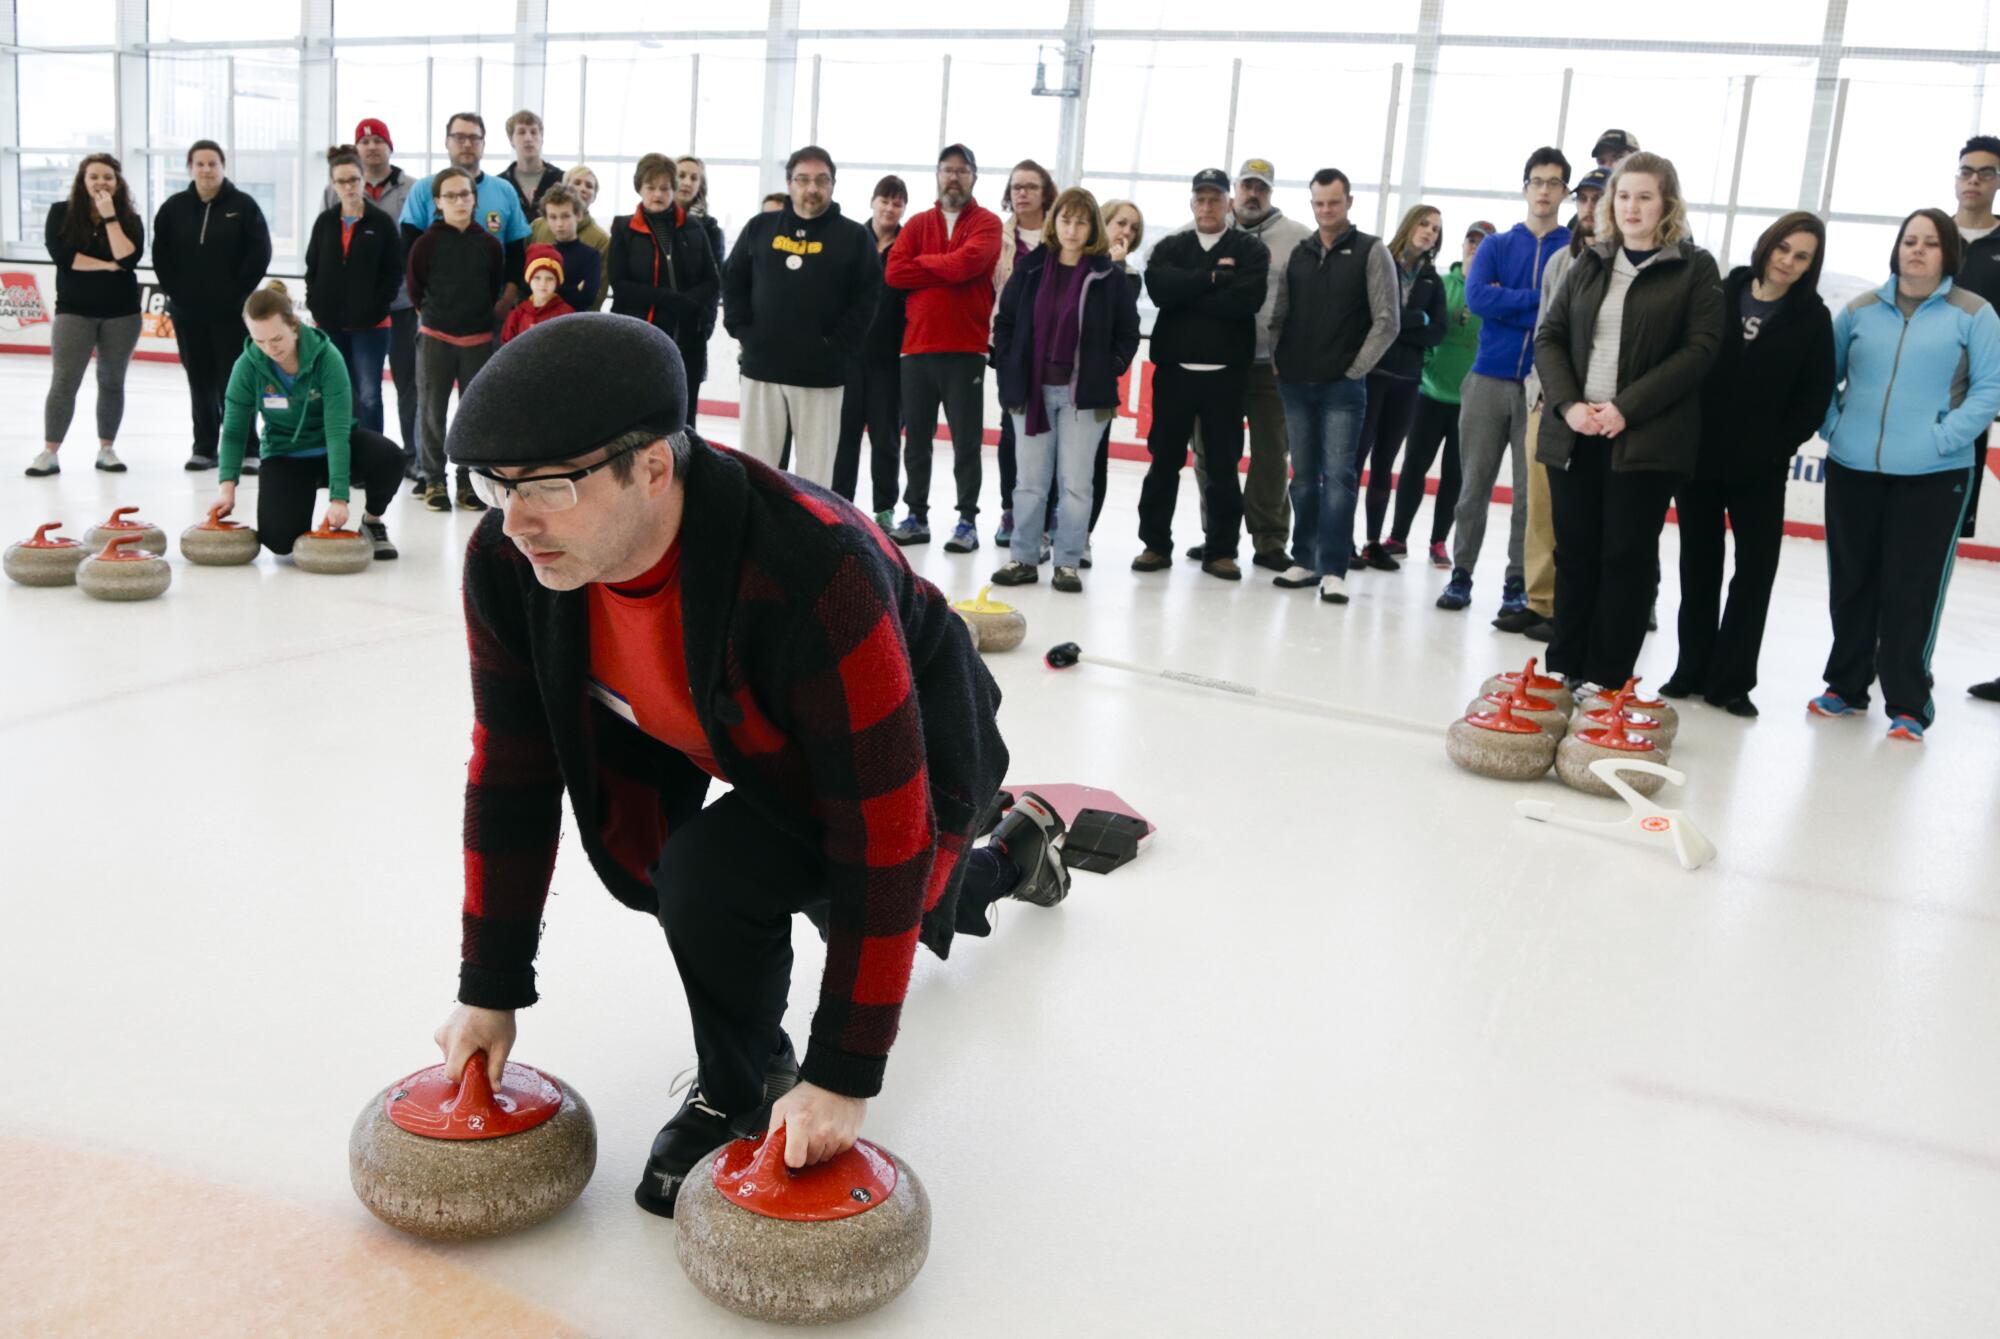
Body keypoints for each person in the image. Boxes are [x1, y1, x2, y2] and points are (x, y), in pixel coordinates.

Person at [430, 313, 1071, 1218]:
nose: (516, 519)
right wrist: (488, 986)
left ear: (652, 467)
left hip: (910, 739)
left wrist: (844, 1073)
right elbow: (513, 771)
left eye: (548, 488)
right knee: (714, 879)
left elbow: (879, 830)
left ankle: (1012, 849)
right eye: (495, 485)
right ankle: (742, 1080)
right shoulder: (513, 563)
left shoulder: (813, 569)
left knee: (900, 887)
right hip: (752, 741)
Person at [1533, 151, 1723, 696]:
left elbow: (1700, 349)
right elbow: (1549, 337)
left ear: (1666, 204)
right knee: (1575, 552)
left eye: (1645, 196)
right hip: (1577, 430)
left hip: (1644, 437)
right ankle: (1564, 668)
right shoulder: (1589, 260)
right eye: (1623, 196)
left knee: (1625, 556)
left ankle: (1607, 678)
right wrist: (1569, 406)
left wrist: (1625, 408)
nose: (1632, 206)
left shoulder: (1694, 266)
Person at [1808, 209, 2000, 740]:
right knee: (1851, 583)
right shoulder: (1862, 310)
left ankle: (1909, 703)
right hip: (1854, 468)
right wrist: (1835, 428)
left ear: (1948, 254)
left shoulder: (1973, 314)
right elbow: (1824, 373)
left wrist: (1943, 437)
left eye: (1930, 243)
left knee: (1910, 589)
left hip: (1934, 476)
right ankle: (1845, 688)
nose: (1917, 250)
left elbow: (1990, 389)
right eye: (1909, 241)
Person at [1658, 212, 1834, 718]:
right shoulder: (1722, 288)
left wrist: (1777, 445)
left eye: (1802, 256)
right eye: (1784, 249)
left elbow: (1814, 396)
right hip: (1699, 457)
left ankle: (1730, 682)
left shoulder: (1813, 317)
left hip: (1761, 467)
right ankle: (1690, 669)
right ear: (1767, 246)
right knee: (1699, 565)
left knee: (1755, 572)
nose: (1789, 262)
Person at [1439, 147, 1572, 616]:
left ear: (1565, 192)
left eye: (1554, 183)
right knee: (1473, 485)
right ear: (1525, 188)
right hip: (1487, 379)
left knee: (1528, 497)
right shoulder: (1497, 245)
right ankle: (1461, 573)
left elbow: (1566, 311)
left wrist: (1510, 300)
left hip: (1542, 388)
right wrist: (1539, 301)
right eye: (1537, 181)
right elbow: (1477, 299)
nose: (1544, 190)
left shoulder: (1572, 249)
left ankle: (1517, 583)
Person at [988, 187, 1140, 594]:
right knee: (1030, 482)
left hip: (1083, 398)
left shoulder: (1108, 275)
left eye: (1081, 221)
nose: (1072, 229)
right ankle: (1022, 557)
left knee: (1075, 484)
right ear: (1054, 222)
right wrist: (1008, 366)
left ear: (1092, 227)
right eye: (1065, 220)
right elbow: (1005, 323)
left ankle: (1068, 562)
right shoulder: (1032, 269)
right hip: (1031, 393)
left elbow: (1127, 334)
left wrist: (1108, 369)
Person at [1132, 169, 1272, 582]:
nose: (1208, 207)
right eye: (1201, 200)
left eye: (1215, 199)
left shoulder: (1249, 249)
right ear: (1192, 203)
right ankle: (1155, 545)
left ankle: (1222, 551)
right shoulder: (1170, 246)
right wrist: (1212, 280)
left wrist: (1187, 294)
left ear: (1229, 204)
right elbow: (1159, 290)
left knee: (1224, 466)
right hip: (1175, 375)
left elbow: (1245, 300)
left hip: (1226, 379)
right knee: (1164, 462)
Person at [1265, 167, 1397, 603]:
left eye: (1334, 203)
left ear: (1349, 202)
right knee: (1302, 478)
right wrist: (1279, 360)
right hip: (1295, 385)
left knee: (1339, 478)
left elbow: (1387, 322)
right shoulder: (1300, 253)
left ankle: (1334, 568)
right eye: (1319, 203)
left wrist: (1355, 369)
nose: (1326, 211)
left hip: (1343, 389)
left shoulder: (1371, 251)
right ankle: (1303, 560)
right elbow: (1280, 313)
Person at [211, 282, 402, 561]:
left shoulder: (326, 358)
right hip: (286, 454)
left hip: (332, 446)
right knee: (279, 543)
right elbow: (233, 433)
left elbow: (336, 431)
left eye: (276, 339)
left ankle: (373, 521)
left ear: (294, 325)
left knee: (390, 457)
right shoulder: (248, 365)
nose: (269, 349)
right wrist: (226, 489)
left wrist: (339, 498)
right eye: (259, 340)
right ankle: (296, 496)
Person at [723, 145, 878, 486]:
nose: (812, 188)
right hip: (762, 369)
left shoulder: (854, 237)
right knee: (757, 469)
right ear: (790, 183)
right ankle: (761, 537)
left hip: (821, 375)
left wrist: (836, 346)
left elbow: (867, 299)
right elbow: (733, 278)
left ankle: (813, 538)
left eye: (821, 180)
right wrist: (742, 330)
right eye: (803, 179)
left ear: (833, 184)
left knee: (816, 475)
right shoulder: (760, 228)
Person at [1186, 159, 1311, 571]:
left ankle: (1270, 539)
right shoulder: (1206, 232)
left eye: (1262, 188)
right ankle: (1217, 535)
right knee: (1209, 451)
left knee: (1272, 453)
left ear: (1271, 193)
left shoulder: (1297, 238)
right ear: (1234, 191)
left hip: (1268, 366)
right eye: (1247, 187)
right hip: (1216, 362)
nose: (1253, 195)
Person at [883, 144, 1002, 550]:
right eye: (947, 170)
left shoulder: (988, 223)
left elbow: (970, 264)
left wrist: (929, 264)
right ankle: (915, 514)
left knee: (967, 441)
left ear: (973, 177)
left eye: (962, 171)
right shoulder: (916, 223)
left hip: (966, 349)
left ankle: (967, 521)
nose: (954, 177)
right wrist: (948, 265)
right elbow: (896, 273)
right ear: (937, 175)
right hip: (916, 350)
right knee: (916, 438)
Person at [1514, 165, 1610, 639]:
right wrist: (1542, 393)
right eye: (1585, 199)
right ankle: (1541, 603)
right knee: (1541, 509)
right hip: (1550, 404)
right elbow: (1545, 336)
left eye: (1599, 198)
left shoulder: (1625, 265)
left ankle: (1577, 612)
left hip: (1599, 412)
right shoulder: (1559, 262)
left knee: (1586, 521)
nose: (1590, 208)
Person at [152, 140, 273, 472]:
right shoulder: (173, 208)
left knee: (234, 381)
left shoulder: (243, 206)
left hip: (231, 314)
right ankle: (204, 447)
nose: (206, 169)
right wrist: (178, 294)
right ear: (190, 167)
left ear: (223, 167)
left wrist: (235, 294)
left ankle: (248, 448)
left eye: (212, 163)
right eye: (200, 163)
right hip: (188, 313)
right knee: (199, 379)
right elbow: (161, 256)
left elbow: (259, 253)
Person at [26, 154, 144, 478]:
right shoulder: (60, 214)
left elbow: (129, 257)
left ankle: (107, 448)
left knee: (111, 380)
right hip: (74, 311)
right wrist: (107, 265)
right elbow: (64, 258)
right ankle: (49, 452)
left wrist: (109, 217)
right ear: (83, 180)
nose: (101, 183)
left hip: (121, 314)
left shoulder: (129, 218)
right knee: (65, 380)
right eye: (94, 177)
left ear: (117, 183)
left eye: (108, 177)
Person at [1388, 220, 1493, 567]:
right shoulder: (1442, 284)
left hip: (1471, 402)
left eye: (1484, 242)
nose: (1476, 247)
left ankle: (1438, 542)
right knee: (1414, 467)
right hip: (1429, 394)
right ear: (1463, 245)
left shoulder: (1495, 292)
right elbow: (1429, 328)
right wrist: (1427, 367)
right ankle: (1398, 537)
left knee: (1455, 476)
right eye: (1472, 239)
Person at [1349, 203, 1447, 571]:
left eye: (1436, 229)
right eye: (1423, 224)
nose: (1429, 232)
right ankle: (1343, 540)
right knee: (1354, 460)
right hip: (1372, 376)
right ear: (1409, 224)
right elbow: (1369, 318)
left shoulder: (1431, 281)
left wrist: (1397, 324)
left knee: (1384, 465)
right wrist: (1412, 320)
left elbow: (1436, 330)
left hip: (1407, 383)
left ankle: (1374, 542)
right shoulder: (1380, 263)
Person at [324, 120, 422, 477]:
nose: (371, 146)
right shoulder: (333, 192)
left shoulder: (412, 189)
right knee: (357, 389)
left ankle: (411, 456)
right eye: (363, 141)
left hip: (402, 305)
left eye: (378, 140)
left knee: (408, 383)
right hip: (356, 314)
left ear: (389, 146)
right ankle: (358, 456)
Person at [407, 166, 508, 512]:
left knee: (472, 413)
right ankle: (434, 478)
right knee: (433, 412)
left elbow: (493, 285)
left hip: (478, 339)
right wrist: (435, 317)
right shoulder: (425, 244)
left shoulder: (490, 245)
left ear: (474, 198)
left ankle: (468, 480)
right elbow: (416, 289)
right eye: (450, 195)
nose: (459, 201)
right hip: (436, 337)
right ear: (438, 201)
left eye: (465, 194)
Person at [607, 153, 721, 428]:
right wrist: (666, 298)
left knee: (684, 413)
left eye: (665, 188)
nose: (658, 194)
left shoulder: (694, 227)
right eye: (651, 187)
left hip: (687, 335)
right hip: (640, 334)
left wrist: (693, 308)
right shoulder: (623, 228)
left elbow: (712, 279)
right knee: (639, 410)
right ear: (639, 188)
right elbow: (619, 285)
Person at [305, 147, 404, 438]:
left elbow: (393, 272)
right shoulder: (325, 223)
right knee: (338, 394)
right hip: (331, 324)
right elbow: (313, 267)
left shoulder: (382, 223)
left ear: (363, 180)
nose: (348, 186)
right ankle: (343, 455)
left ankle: (372, 457)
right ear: (333, 185)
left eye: (353, 179)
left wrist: (376, 307)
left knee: (369, 395)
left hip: (371, 327)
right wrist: (316, 305)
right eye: (341, 181)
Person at [399, 112, 530, 322]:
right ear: (446, 142)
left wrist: (506, 302)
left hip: (490, 312)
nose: (467, 144)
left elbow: (516, 252)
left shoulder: (504, 191)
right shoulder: (423, 189)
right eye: (459, 137)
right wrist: (422, 304)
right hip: (437, 314)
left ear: (483, 144)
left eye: (474, 138)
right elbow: (409, 251)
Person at [833, 175, 908, 517]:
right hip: (850, 358)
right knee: (844, 436)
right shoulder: (853, 240)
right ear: (873, 202)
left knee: (886, 439)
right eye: (885, 201)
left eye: (897, 203)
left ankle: (884, 509)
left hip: (890, 360)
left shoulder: (909, 245)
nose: (890, 209)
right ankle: (841, 504)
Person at [991, 159, 1055, 548]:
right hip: (1012, 347)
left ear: (1046, 192)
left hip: (1056, 349)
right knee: (1011, 435)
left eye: (1031, 186)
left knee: (1053, 434)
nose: (1022, 193)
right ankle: (1010, 509)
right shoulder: (998, 237)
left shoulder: (1061, 237)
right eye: (1016, 187)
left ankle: (1047, 516)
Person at [677, 155, 727, 424]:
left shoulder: (710, 228)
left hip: (692, 328)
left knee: (686, 413)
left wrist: (705, 325)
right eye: (681, 175)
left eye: (693, 178)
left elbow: (715, 281)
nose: (686, 182)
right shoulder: (651, 222)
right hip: (657, 321)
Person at [531, 168, 612, 310]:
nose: (559, 224)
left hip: (578, 319)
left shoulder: (600, 241)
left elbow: (593, 295)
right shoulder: (538, 227)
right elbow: (527, 283)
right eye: (576, 183)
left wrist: (551, 293)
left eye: (589, 186)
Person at [500, 245, 576, 342]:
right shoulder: (517, 315)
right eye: (537, 278)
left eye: (549, 279)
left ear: (557, 282)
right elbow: (506, 348)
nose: (543, 284)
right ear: (529, 280)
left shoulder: (566, 314)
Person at [500, 110, 562, 221]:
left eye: (533, 132)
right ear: (511, 140)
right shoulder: (500, 184)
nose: (528, 138)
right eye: (521, 132)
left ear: (542, 138)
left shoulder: (562, 180)